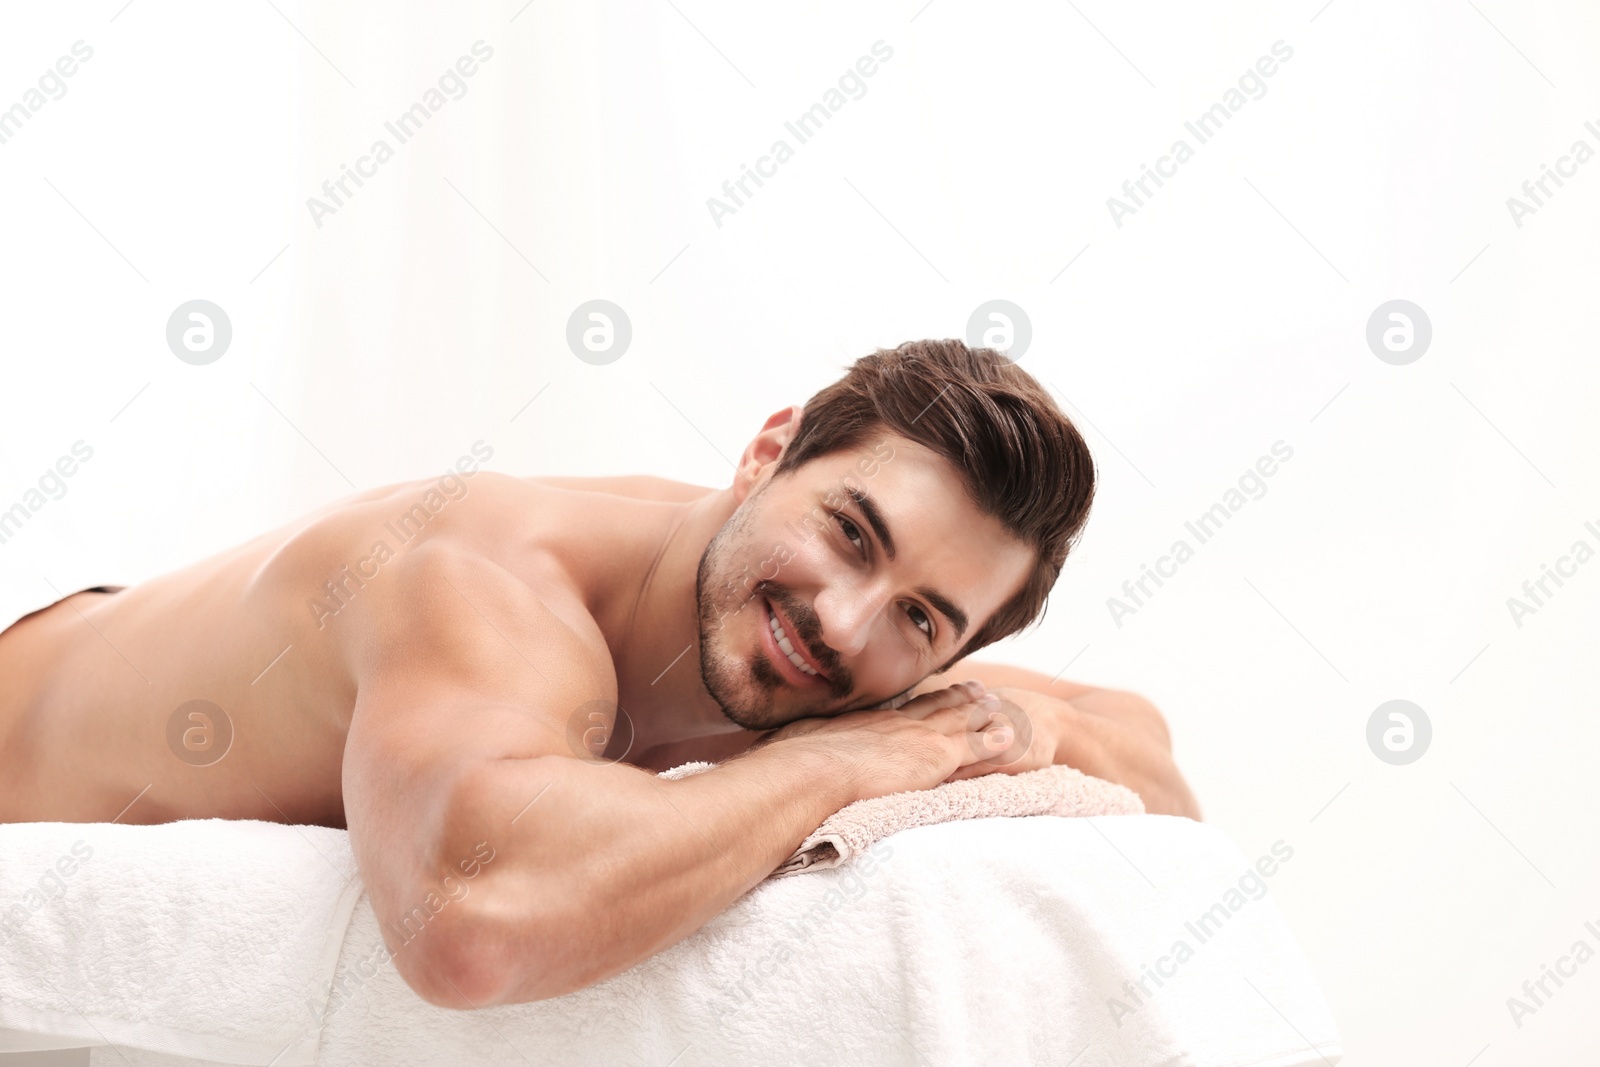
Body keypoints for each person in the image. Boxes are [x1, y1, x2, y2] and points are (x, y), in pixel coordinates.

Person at [0, 338, 1198, 1008]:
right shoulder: (482, 577)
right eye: (850, 530)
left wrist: (962, 723)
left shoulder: (821, 640)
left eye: (923, 619)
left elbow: (1142, 753)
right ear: (766, 449)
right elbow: (468, 922)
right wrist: (843, 758)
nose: (841, 622)